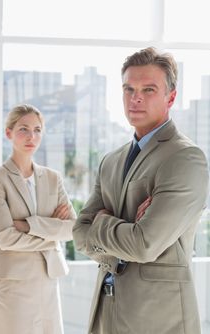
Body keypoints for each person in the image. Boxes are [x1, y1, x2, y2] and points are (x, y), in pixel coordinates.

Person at [73, 47, 209, 334]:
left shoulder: (184, 158)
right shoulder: (111, 161)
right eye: (129, 88)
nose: (135, 97)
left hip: (157, 319)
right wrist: (127, 229)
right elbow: (79, 234)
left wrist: (102, 223)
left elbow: (145, 244)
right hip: (105, 315)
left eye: (148, 89)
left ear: (170, 97)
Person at [0, 104, 76, 334]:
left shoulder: (53, 178)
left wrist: (29, 225)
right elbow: (5, 238)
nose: (31, 136)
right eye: (24, 129)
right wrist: (52, 234)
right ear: (9, 133)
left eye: (37, 130)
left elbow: (73, 228)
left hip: (47, 279)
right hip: (13, 281)